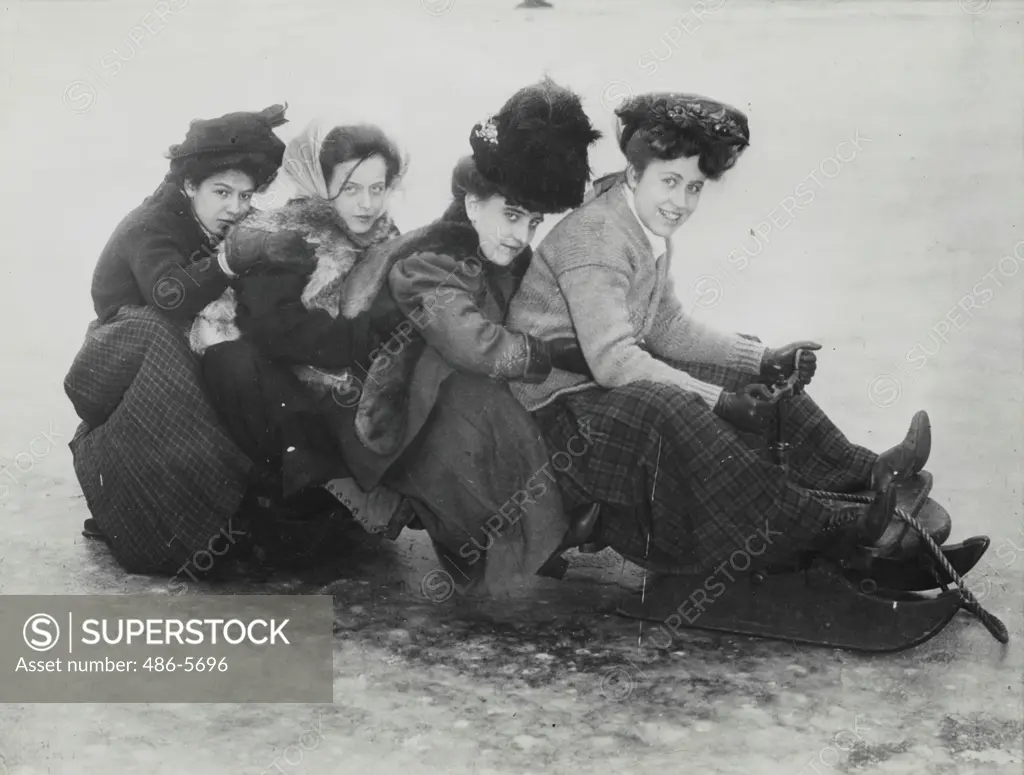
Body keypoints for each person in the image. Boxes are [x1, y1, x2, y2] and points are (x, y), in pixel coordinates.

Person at [505, 91, 932, 574]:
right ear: (633, 175)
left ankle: (863, 470)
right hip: (554, 422)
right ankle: (825, 527)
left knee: (723, 369)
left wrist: (761, 359)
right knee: (667, 408)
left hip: (589, 391)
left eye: (693, 187)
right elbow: (615, 361)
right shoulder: (596, 238)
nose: (680, 202)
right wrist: (720, 402)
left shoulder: (640, 225)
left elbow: (664, 327)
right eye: (670, 182)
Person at [337, 78, 603, 593]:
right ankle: (525, 539)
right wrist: (539, 353)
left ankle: (530, 537)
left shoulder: (507, 254)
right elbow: (467, 340)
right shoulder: (429, 259)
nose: (519, 235)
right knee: (472, 396)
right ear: (473, 202)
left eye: (532, 222)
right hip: (392, 412)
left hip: (438, 396)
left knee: (491, 399)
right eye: (510, 216)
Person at [64, 104, 321, 575]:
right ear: (188, 185)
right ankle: (173, 525)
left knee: (246, 353)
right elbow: (168, 295)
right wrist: (227, 263)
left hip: (187, 352)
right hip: (123, 362)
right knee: (164, 339)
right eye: (222, 192)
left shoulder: (225, 220)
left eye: (246, 196)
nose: (235, 208)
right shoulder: (151, 225)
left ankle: (277, 491)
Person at [190, 118, 417, 540]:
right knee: (239, 365)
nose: (366, 204)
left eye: (376, 188)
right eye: (350, 188)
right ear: (322, 183)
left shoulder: (388, 241)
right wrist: (363, 339)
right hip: (277, 379)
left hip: (348, 378)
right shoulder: (290, 234)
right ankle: (332, 484)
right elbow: (274, 327)